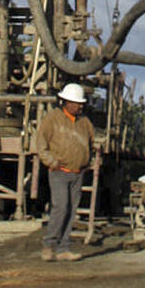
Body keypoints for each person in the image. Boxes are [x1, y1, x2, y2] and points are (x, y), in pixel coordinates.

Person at [35, 81, 95, 261]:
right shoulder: (53, 118)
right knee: (60, 207)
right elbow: (41, 143)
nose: (80, 106)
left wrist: (87, 162)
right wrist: (51, 161)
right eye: (77, 103)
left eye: (81, 103)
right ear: (66, 102)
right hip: (59, 171)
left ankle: (64, 249)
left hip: (77, 173)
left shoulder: (84, 122)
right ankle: (49, 245)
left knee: (71, 210)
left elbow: (91, 143)